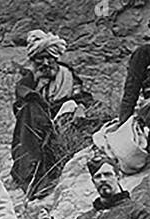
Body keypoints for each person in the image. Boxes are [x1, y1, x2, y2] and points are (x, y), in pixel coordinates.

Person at [11, 29, 93, 201]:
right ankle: (35, 178)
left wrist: (81, 107)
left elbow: (82, 96)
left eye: (50, 58)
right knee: (29, 108)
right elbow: (22, 95)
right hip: (37, 126)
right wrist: (36, 88)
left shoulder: (67, 75)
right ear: (34, 60)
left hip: (64, 123)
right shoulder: (30, 77)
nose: (46, 63)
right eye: (41, 58)